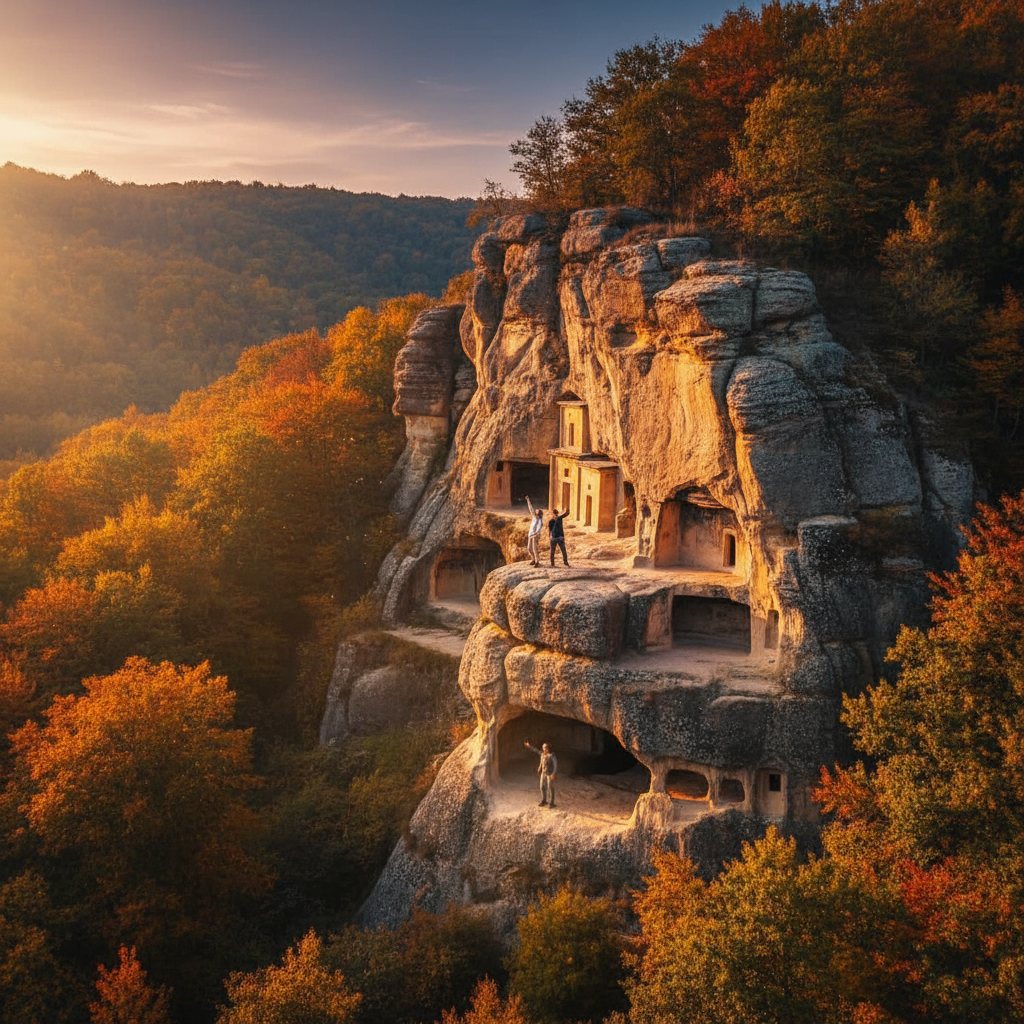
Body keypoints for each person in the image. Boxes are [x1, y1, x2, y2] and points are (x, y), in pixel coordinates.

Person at [524, 739, 557, 807]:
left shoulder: (551, 755)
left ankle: (552, 802)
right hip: (544, 773)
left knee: (550, 788)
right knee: (542, 787)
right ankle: (544, 800)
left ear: (548, 748)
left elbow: (555, 765)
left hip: (549, 773)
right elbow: (536, 751)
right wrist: (529, 746)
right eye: (543, 747)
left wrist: (553, 774)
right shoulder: (543, 754)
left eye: (544, 747)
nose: (543, 748)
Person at [525, 496, 544, 566]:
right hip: (531, 534)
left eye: (537, 512)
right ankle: (533, 559)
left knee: (534, 549)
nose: (535, 512)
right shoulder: (534, 517)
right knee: (529, 548)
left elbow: (538, 529)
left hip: (535, 536)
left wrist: (535, 534)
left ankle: (537, 561)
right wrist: (528, 500)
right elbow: (531, 509)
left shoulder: (540, 521)